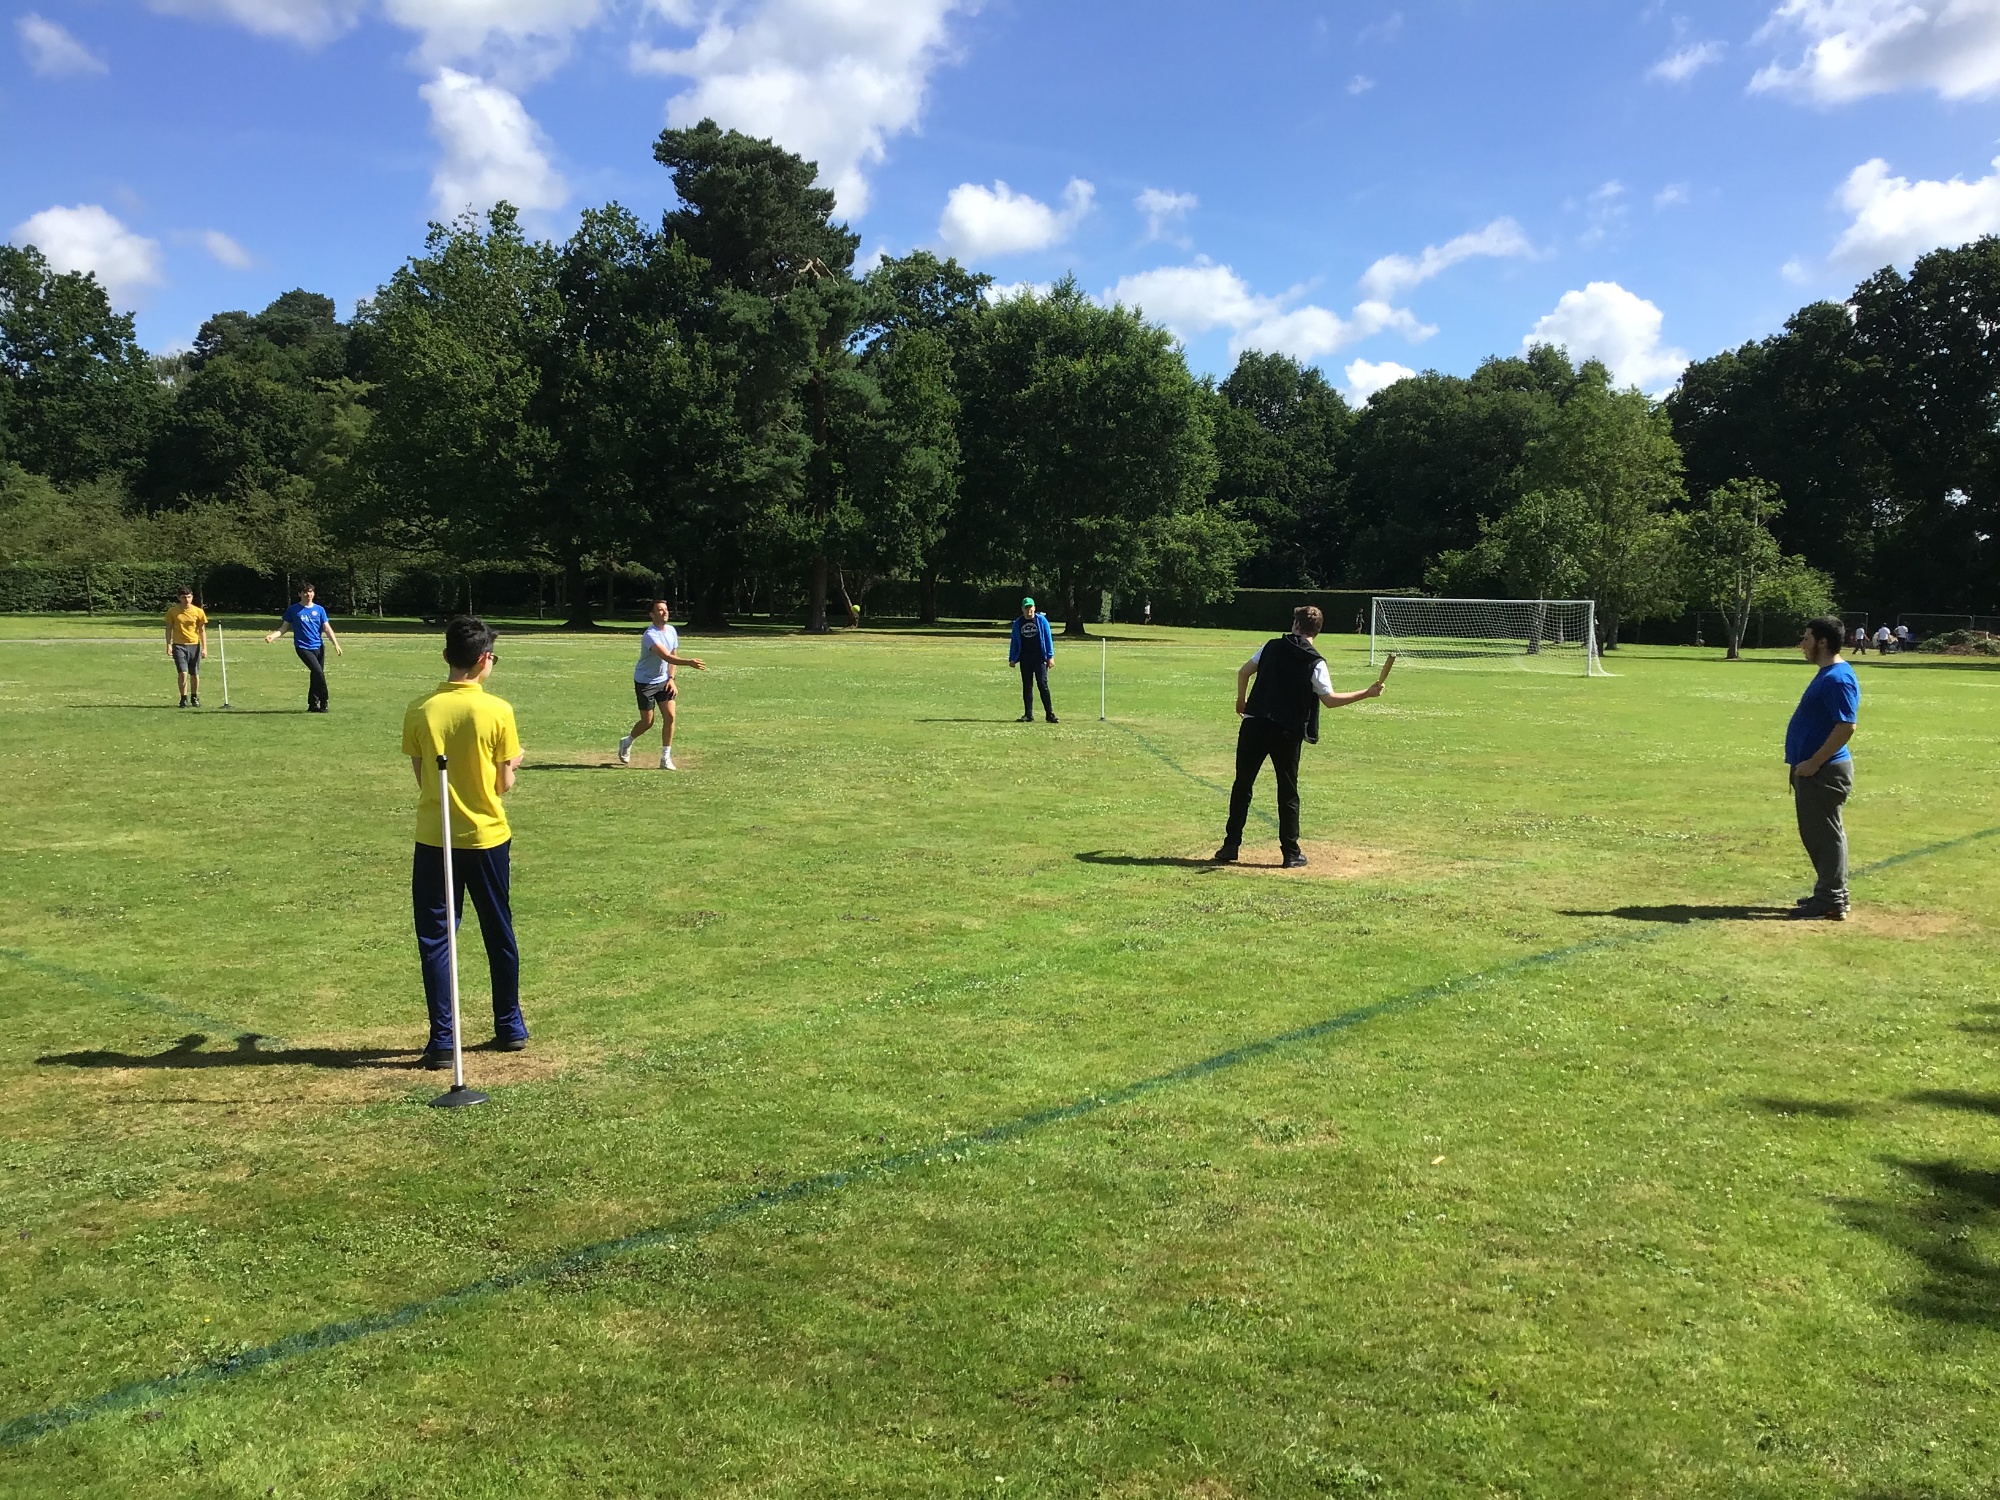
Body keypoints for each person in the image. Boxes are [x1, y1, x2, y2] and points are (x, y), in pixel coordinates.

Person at [402, 616, 528, 1065]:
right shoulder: (498, 711)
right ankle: (509, 1023)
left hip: (435, 838)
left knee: (436, 938)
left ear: (446, 657)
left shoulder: (420, 709)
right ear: (482, 660)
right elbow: (501, 786)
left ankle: (442, 1038)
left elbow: (423, 779)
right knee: (499, 931)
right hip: (487, 837)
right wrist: (513, 764)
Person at [1215, 606, 1393, 869]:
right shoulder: (1315, 661)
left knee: (1242, 785)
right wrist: (1366, 694)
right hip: (1286, 731)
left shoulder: (1271, 646)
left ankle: (1230, 846)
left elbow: (1243, 672)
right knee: (1287, 791)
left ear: (1295, 624)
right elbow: (1330, 700)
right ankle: (1290, 853)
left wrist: (1241, 701)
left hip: (1254, 724)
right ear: (1317, 631)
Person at [1785, 615, 1861, 921]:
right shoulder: (1828, 673)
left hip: (1824, 771)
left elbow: (1847, 726)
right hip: (1815, 770)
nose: (1802, 644)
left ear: (1823, 642)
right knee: (1819, 835)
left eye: (1806, 638)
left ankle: (1831, 900)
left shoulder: (1838, 678)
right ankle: (1828, 893)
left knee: (1826, 836)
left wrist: (1814, 763)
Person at [619, 599, 705, 769]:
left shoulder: (671, 630)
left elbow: (673, 654)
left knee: (670, 716)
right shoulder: (650, 635)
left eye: (666, 609)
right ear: (652, 614)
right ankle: (627, 741)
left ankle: (665, 758)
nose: (665, 612)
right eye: (660, 610)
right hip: (645, 682)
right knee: (647, 722)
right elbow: (665, 656)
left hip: (664, 680)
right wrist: (689, 662)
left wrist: (671, 679)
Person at [264, 583, 341, 711]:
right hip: (302, 647)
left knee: (316, 674)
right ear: (300, 594)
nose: (308, 594)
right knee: (318, 672)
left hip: (319, 647)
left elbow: (327, 629)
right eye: (305, 592)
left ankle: (312, 705)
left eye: (310, 592)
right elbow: (283, 628)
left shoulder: (319, 610)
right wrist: (273, 636)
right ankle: (324, 700)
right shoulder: (293, 610)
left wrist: (336, 644)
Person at [1009, 597, 1058, 722]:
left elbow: (1048, 638)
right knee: (1027, 686)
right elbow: (1014, 641)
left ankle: (1050, 714)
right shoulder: (1018, 623)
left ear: (1034, 608)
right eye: (1026, 608)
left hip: (1040, 658)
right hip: (1025, 658)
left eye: (1030, 607)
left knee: (1042, 684)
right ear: (1022, 609)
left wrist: (1050, 656)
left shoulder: (1041, 621)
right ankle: (1028, 714)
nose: (1029, 610)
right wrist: (1012, 658)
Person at [165, 587, 208, 708]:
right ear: (179, 598)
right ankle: (183, 698)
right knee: (182, 673)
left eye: (189, 597)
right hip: (179, 645)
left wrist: (205, 648)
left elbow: (202, 630)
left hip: (194, 645)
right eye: (184, 597)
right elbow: (168, 629)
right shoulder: (173, 611)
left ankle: (194, 696)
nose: (186, 600)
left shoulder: (198, 611)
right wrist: (168, 644)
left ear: (192, 597)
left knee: (194, 673)